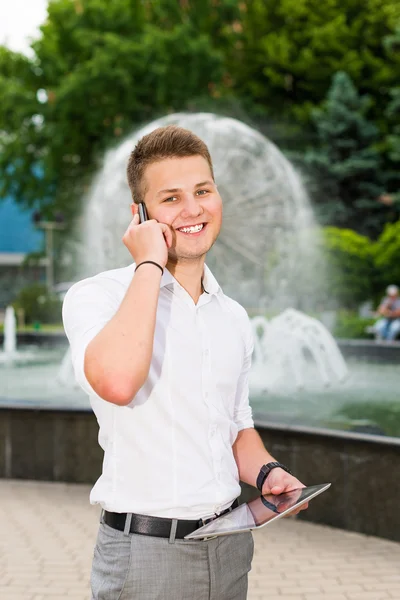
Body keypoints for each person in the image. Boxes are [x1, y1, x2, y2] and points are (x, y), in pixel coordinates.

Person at [62, 125, 307, 600]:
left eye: (202, 191)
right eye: (170, 198)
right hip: (146, 554)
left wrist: (266, 472)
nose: (193, 209)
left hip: (230, 544)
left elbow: (236, 426)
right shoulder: (97, 297)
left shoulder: (232, 316)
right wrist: (149, 264)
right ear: (141, 213)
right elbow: (117, 381)